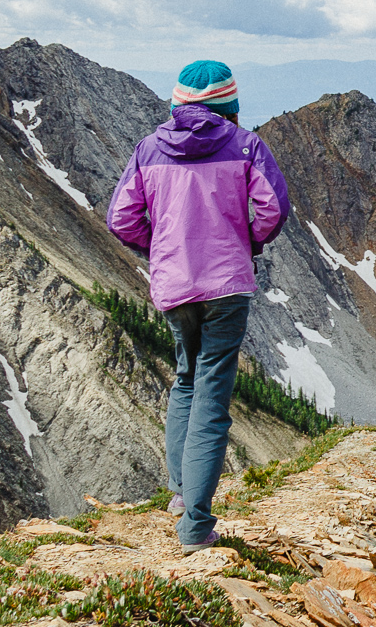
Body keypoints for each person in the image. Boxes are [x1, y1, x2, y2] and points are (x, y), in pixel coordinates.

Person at [107, 60, 290, 553]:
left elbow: (121, 218)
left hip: (174, 285)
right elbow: (274, 207)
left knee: (185, 380)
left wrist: (160, 248)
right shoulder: (246, 145)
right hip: (227, 285)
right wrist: (245, 242)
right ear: (228, 106)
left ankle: (180, 494)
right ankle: (195, 527)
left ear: (178, 104)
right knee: (212, 396)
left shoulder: (149, 149)